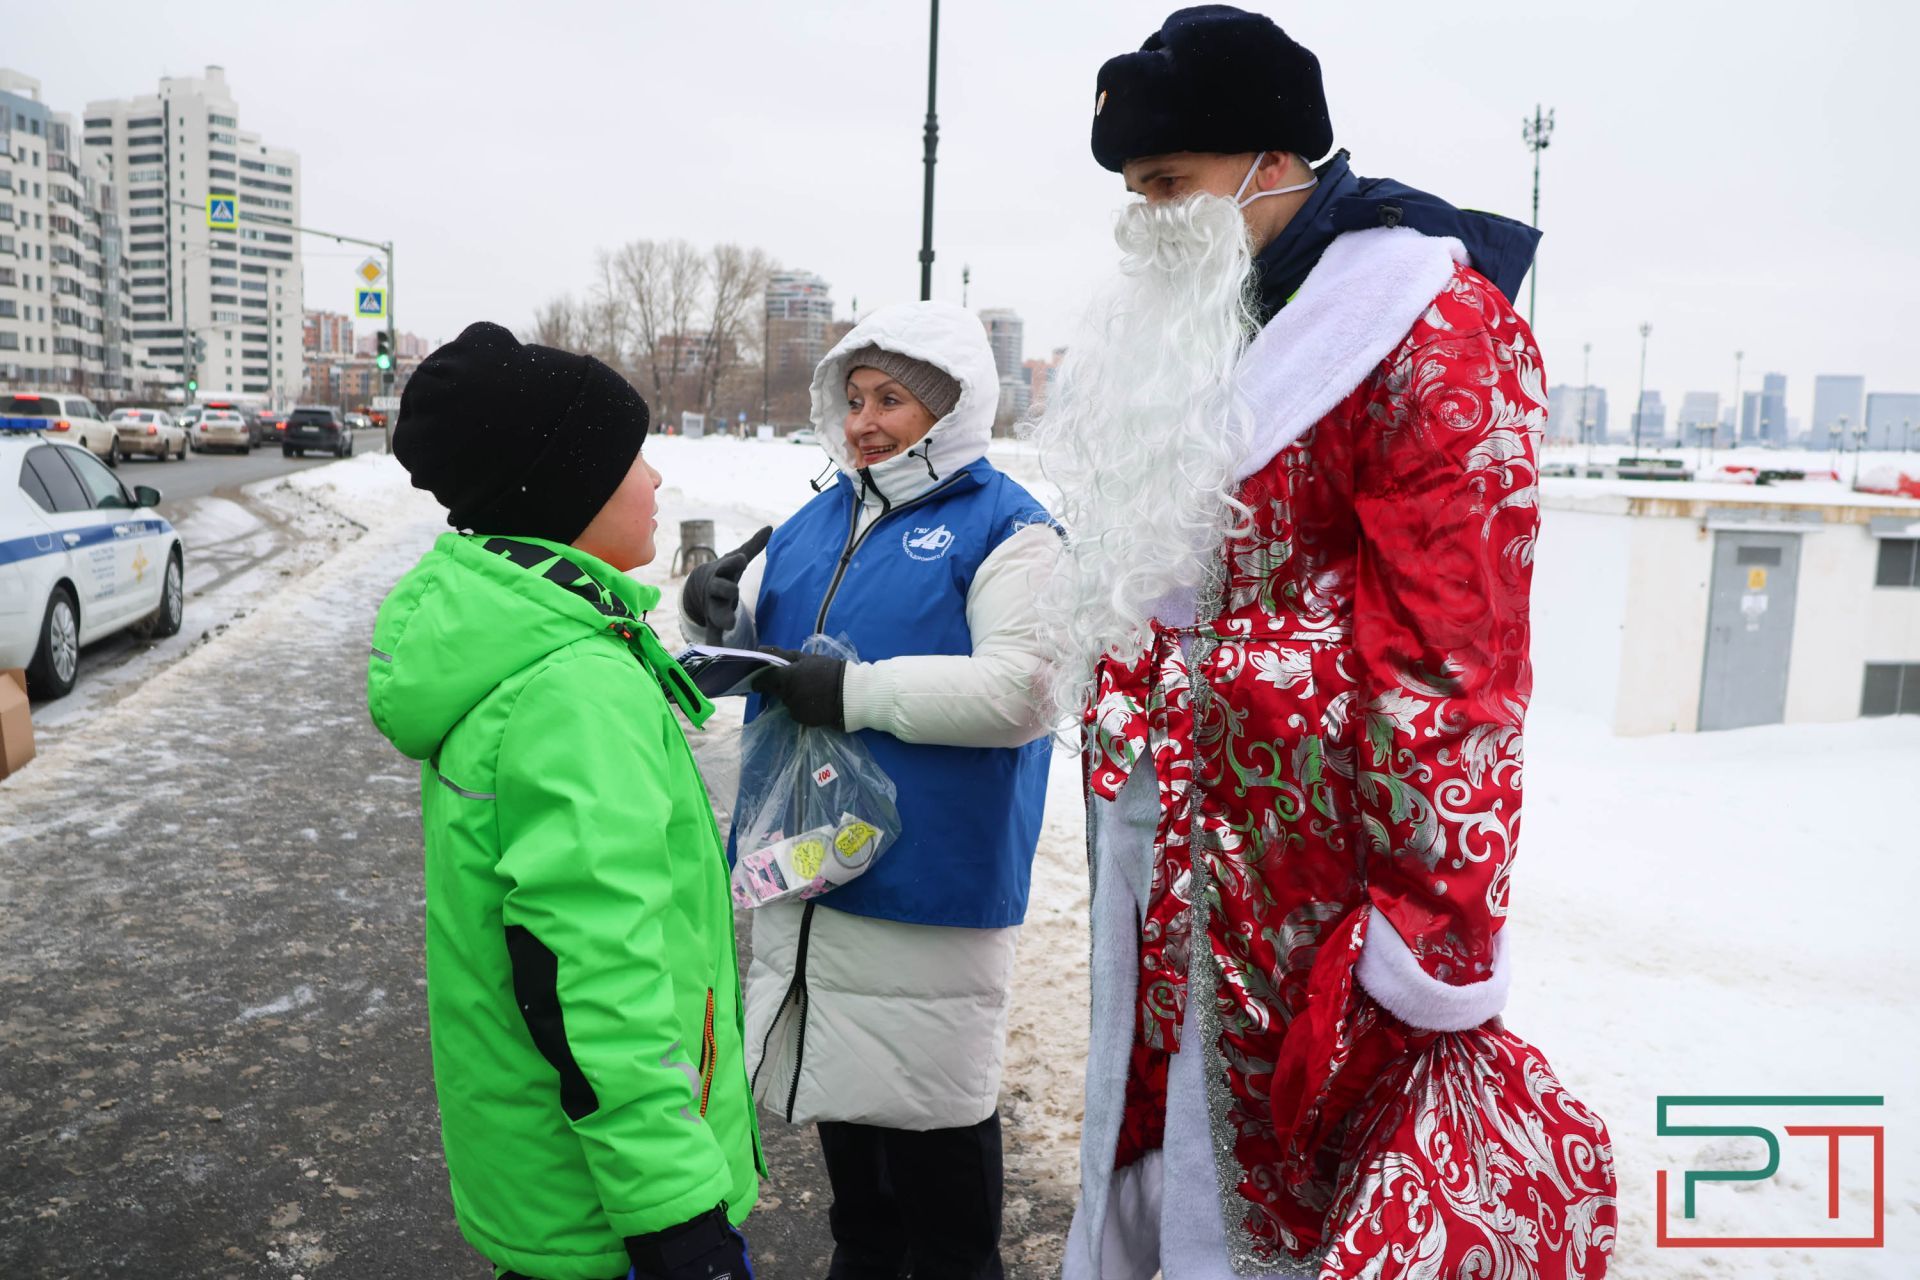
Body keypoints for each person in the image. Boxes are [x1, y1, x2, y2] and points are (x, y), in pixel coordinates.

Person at [1030, 9, 1618, 1279]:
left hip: (1327, 886)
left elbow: (1458, 662)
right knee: (1165, 1156)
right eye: (1133, 193)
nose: (1145, 221)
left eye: (1169, 185)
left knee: (1297, 1194)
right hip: (1177, 862)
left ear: (1275, 161)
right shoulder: (1210, 315)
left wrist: (1432, 938)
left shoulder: (1428, 327)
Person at [367, 321, 760, 1280]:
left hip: (545, 1173)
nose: (655, 479)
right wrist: (677, 1218)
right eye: (631, 458)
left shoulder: (521, 643)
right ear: (564, 491)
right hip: (618, 1211)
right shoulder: (575, 689)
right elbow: (591, 971)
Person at [680, 300, 1062, 1280]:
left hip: (929, 890)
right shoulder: (818, 520)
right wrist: (705, 610)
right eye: (854, 399)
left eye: (892, 399)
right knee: (854, 1172)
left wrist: (853, 693)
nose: (865, 421)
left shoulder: (1011, 527)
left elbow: (1026, 689)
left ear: (953, 403)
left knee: (939, 1164)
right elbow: (747, 658)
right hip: (810, 871)